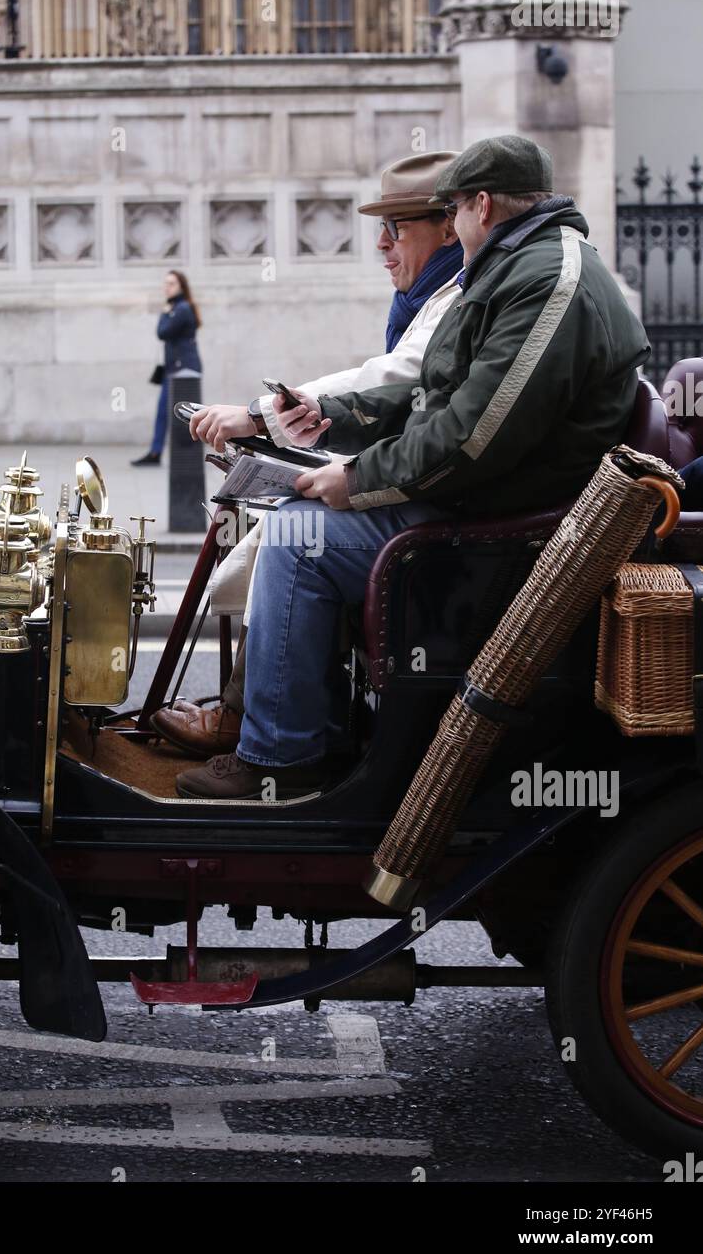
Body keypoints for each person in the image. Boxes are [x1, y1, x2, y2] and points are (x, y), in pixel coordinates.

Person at [173, 134, 651, 800]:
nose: (452, 226)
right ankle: (315, 729)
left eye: (450, 210)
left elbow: (472, 437)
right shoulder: (523, 266)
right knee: (297, 513)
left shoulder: (547, 279)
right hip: (483, 501)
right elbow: (430, 384)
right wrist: (328, 414)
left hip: (500, 525)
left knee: (295, 540)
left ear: (481, 205)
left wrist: (358, 479)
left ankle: (280, 760)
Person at [150, 151, 465, 756]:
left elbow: (392, 379)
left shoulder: (457, 296)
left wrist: (261, 414)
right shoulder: (430, 295)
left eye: (396, 227)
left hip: (443, 508)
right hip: (426, 484)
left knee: (297, 536)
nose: (381, 243)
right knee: (285, 515)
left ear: (450, 227)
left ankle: (276, 749)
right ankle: (253, 712)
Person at [132, 270, 202, 467]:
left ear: (181, 286)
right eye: (165, 283)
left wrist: (164, 312)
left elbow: (162, 332)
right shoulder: (179, 307)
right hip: (176, 370)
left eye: (171, 283)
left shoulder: (181, 309)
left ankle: (173, 454)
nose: (166, 287)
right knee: (166, 412)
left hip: (183, 371)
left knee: (183, 415)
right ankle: (157, 452)